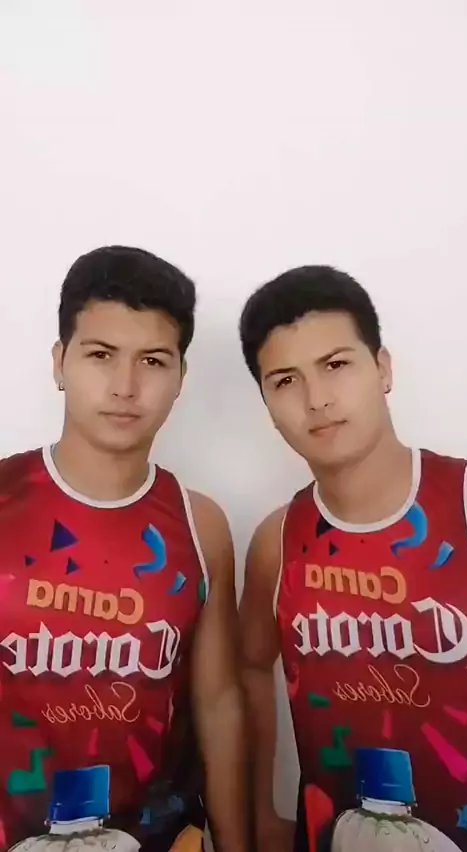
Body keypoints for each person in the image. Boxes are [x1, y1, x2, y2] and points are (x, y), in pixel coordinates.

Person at [0, 246, 247, 852]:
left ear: (181, 378)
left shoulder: (199, 525)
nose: (125, 387)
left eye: (153, 361)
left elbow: (217, 703)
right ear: (59, 362)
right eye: (101, 355)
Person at [238, 265, 467, 852]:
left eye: (336, 365)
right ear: (266, 403)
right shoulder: (277, 541)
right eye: (286, 380)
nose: (317, 400)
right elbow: (249, 668)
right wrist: (262, 811)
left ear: (383, 368)